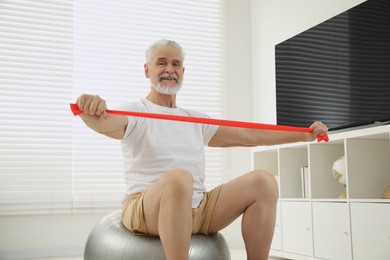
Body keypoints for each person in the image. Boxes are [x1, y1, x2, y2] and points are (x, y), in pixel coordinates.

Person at [75, 39, 328, 260]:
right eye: (161, 63)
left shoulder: (194, 119)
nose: (169, 70)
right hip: (147, 209)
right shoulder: (136, 111)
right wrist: (91, 109)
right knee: (179, 178)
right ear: (147, 70)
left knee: (263, 181)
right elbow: (105, 122)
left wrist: (303, 135)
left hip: (199, 207)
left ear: (183, 71)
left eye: (175, 65)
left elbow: (248, 134)